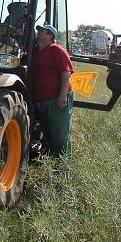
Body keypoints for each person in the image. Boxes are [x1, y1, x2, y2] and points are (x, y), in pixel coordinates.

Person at [32, 23, 74, 155]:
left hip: (56, 100)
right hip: (41, 101)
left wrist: (62, 97)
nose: (38, 32)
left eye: (42, 31)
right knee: (48, 134)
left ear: (50, 35)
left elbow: (66, 74)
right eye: (38, 30)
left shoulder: (57, 50)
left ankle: (62, 170)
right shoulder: (35, 51)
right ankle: (51, 163)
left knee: (60, 135)